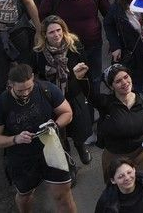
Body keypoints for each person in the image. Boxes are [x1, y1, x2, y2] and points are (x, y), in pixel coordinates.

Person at [0, 63, 78, 213]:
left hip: (51, 150)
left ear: (33, 79)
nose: (26, 93)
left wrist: (56, 124)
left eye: (29, 88)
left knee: (63, 195)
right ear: (10, 84)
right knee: (25, 196)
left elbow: (67, 113)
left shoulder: (46, 89)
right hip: (22, 159)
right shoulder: (0, 105)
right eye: (20, 90)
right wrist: (15, 139)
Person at [34, 14, 97, 166]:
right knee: (60, 132)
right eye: (51, 32)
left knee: (79, 128)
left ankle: (81, 148)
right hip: (54, 99)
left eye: (58, 30)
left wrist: (79, 76)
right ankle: (69, 164)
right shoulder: (39, 53)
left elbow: (87, 68)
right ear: (44, 35)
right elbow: (39, 78)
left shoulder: (74, 45)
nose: (56, 35)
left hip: (75, 93)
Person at [93, 63, 143, 183]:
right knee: (119, 192)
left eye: (126, 77)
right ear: (111, 87)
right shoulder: (105, 103)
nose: (125, 82)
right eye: (118, 81)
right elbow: (89, 93)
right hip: (115, 156)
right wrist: (80, 78)